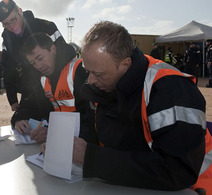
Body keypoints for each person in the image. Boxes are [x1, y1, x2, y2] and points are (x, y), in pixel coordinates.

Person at [42, 21, 212, 192]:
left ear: (125, 65)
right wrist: (65, 146)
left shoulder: (171, 89)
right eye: (88, 71)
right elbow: (99, 137)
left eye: (98, 73)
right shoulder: (103, 87)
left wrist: (90, 157)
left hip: (197, 188)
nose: (91, 80)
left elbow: (177, 170)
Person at [12, 33, 96, 143]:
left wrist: (53, 132)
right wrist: (18, 118)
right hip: (61, 144)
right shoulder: (43, 78)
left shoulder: (80, 71)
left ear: (53, 49)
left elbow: (90, 119)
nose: (38, 66)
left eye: (40, 58)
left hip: (85, 146)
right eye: (33, 63)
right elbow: (32, 104)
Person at [0, 0, 75, 112]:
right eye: (6, 24)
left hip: (54, 88)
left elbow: (66, 54)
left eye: (13, 20)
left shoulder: (46, 27)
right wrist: (12, 99)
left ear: (20, 12)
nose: (11, 26)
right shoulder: (7, 40)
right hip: (30, 92)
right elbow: (8, 69)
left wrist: (52, 83)